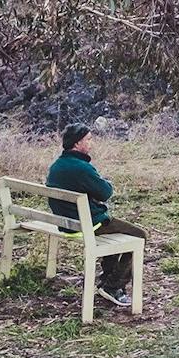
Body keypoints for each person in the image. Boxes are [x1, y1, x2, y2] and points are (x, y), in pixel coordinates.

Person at [47, 124, 146, 307]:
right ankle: (113, 286)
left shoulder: (57, 165)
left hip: (66, 221)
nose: (91, 143)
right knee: (139, 235)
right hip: (87, 224)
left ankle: (107, 281)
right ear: (77, 143)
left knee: (115, 231)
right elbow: (105, 192)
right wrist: (104, 182)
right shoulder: (81, 168)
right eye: (89, 139)